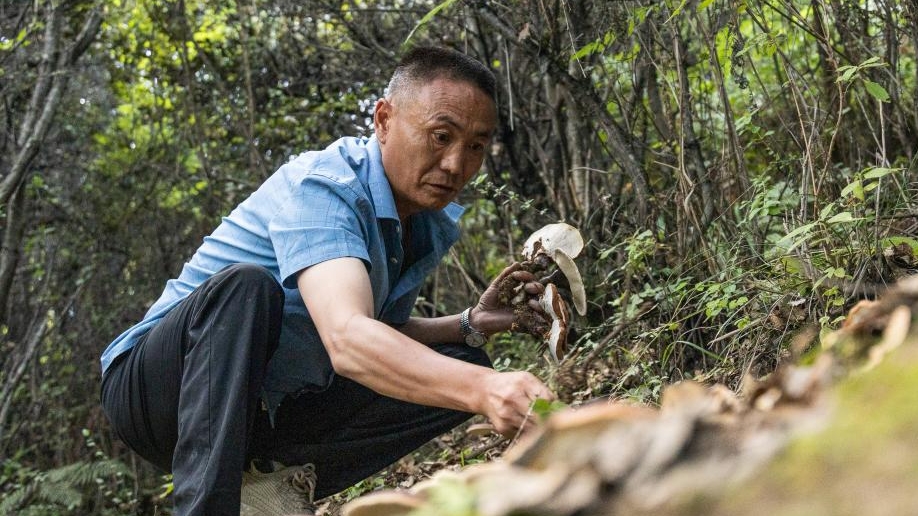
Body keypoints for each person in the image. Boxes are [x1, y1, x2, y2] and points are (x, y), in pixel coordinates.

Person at [99, 46, 555, 515]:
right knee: (247, 287)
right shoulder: (326, 186)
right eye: (441, 136)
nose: (456, 165)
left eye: (475, 146)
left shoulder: (419, 221)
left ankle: (273, 479)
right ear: (383, 120)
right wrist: (486, 388)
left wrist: (466, 324)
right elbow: (347, 338)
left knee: (455, 360)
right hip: (156, 394)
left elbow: (374, 336)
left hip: (259, 407)